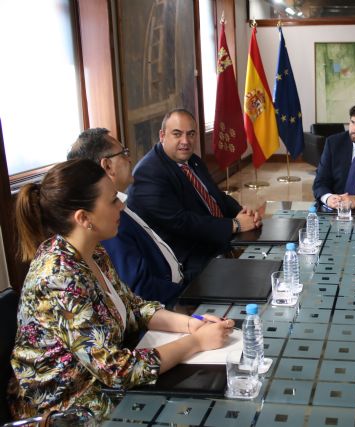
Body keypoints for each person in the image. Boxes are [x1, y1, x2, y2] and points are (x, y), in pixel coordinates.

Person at [9, 159, 235, 420]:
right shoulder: (59, 278)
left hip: (100, 381)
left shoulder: (93, 249)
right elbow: (116, 371)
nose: (122, 205)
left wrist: (190, 325)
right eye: (112, 200)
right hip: (68, 405)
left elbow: (132, 307)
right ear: (84, 218)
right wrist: (196, 342)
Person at [127, 109, 261, 280]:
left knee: (270, 259)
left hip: (212, 238)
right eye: (177, 134)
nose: (185, 141)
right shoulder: (148, 173)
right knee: (252, 278)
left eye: (190, 134)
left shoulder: (192, 160)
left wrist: (242, 212)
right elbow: (182, 222)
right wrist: (235, 224)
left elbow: (215, 196)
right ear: (162, 135)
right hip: (187, 256)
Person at [68, 128, 184, 305]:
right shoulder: (107, 222)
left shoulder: (117, 205)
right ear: (107, 166)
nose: (129, 159)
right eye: (124, 153)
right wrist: (189, 296)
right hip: (170, 303)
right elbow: (141, 290)